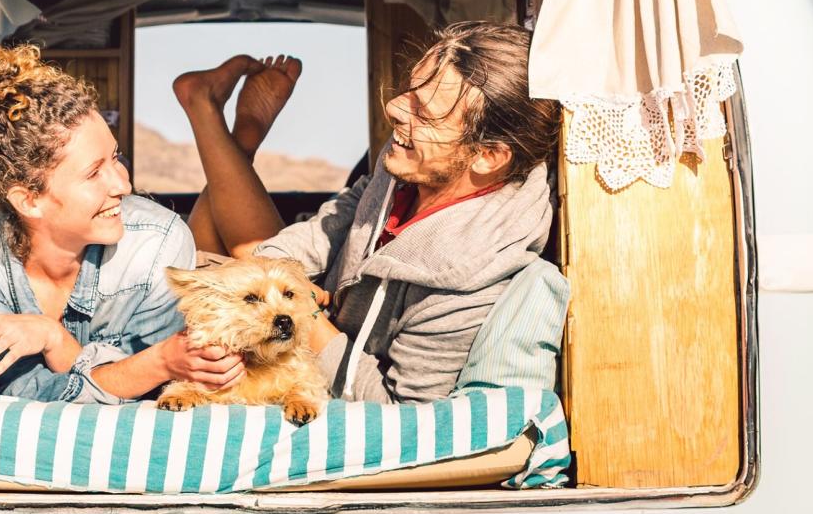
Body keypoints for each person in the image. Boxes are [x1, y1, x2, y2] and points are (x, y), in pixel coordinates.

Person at [174, 23, 560, 403]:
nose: (394, 108)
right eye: (410, 90)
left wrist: (301, 313)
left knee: (218, 277)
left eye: (425, 113)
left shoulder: (470, 280)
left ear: (488, 155)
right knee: (243, 272)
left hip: (324, 371)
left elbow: (396, 408)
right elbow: (347, 212)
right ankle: (224, 122)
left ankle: (213, 115)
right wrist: (278, 270)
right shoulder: (415, 161)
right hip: (318, 312)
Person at [0, 38, 245, 403]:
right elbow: (16, 393)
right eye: (94, 173)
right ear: (29, 200)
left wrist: (56, 341)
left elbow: (154, 396)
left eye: (116, 157)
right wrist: (154, 363)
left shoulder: (158, 241)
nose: (123, 184)